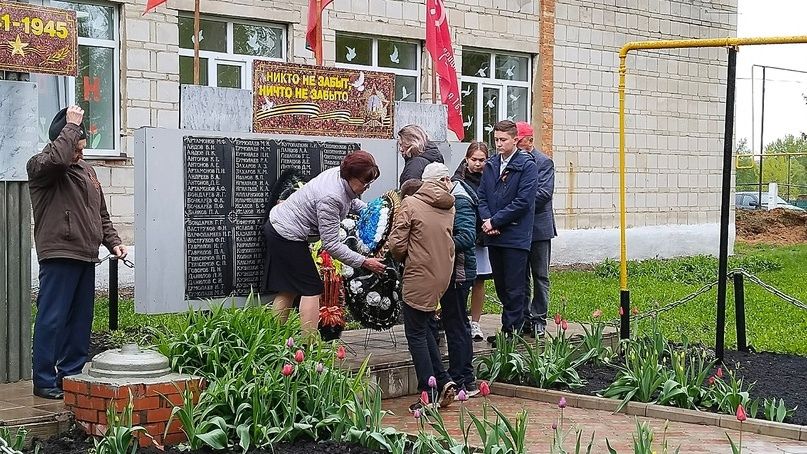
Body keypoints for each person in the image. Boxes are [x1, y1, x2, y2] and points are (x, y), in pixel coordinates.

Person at [27, 106, 127, 400]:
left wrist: (113, 242)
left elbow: (100, 214)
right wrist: (71, 125)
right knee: (52, 318)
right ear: (63, 140)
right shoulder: (42, 166)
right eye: (76, 149)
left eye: (82, 149)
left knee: (81, 320)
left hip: (86, 253)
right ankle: (44, 380)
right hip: (59, 252)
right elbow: (58, 158)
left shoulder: (86, 171)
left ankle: (69, 375)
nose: (79, 155)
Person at [264, 151, 386, 340]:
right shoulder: (331, 197)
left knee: (289, 288)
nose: (366, 187)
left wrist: (370, 212)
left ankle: (270, 341)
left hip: (280, 227)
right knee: (311, 288)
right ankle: (309, 348)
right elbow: (331, 244)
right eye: (364, 182)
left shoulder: (340, 174)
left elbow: (350, 200)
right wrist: (364, 262)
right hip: (286, 234)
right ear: (350, 176)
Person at [387, 163, 457, 412]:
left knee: (415, 333)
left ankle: (428, 393)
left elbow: (397, 244)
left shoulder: (411, 203)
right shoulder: (449, 205)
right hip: (441, 274)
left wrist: (403, 257)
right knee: (426, 327)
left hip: (418, 273)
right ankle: (443, 379)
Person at [477, 120, 538, 342]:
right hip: (493, 234)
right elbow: (482, 195)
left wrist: (496, 221)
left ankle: (511, 330)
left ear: (515, 140)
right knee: (502, 284)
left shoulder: (527, 165)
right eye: (496, 140)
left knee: (515, 285)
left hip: (515, 235)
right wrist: (487, 220)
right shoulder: (492, 164)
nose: (499, 144)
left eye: (503, 140)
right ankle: (513, 326)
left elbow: (523, 201)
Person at [440, 163, 480, 397]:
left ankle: (462, 378)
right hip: (456, 271)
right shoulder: (456, 196)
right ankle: (464, 376)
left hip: (460, 272)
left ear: (445, 181)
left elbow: (466, 236)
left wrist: (437, 246)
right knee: (458, 324)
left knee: (456, 325)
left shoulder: (460, 200)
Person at [516, 122, 557, 337]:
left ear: (530, 141)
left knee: (540, 275)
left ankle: (539, 318)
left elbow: (543, 195)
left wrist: (517, 201)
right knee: (520, 276)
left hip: (539, 229)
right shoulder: (512, 161)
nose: (515, 145)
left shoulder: (544, 163)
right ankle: (522, 318)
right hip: (518, 229)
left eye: (518, 141)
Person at [452, 141, 491, 341]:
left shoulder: (491, 178)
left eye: (482, 160)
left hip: (482, 235)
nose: (478, 164)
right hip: (463, 235)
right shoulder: (457, 180)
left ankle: (475, 322)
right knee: (461, 279)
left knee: (478, 280)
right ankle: (460, 319)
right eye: (474, 160)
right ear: (466, 159)